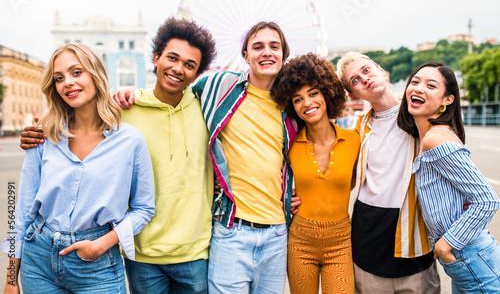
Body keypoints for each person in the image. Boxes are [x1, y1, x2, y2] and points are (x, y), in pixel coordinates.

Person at [19, 18, 218, 294]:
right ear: (156, 58)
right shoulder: (124, 110)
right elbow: (21, 207)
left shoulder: (208, 112)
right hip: (138, 254)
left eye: (189, 64)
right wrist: (9, 276)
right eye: (172, 58)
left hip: (192, 251)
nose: (178, 68)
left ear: (197, 74)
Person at [111, 21, 300, 293]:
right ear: (245, 55)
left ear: (284, 55)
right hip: (192, 239)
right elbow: (86, 127)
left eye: (274, 46)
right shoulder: (218, 89)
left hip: (238, 241)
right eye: (257, 46)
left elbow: (314, 146)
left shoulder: (292, 107)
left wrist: (298, 193)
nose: (266, 52)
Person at [2, 43, 155, 294]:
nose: (67, 83)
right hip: (38, 261)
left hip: (98, 266)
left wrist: (103, 243)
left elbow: (144, 208)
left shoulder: (130, 140)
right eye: (59, 78)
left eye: (76, 72)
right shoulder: (43, 136)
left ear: (95, 75)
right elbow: (21, 212)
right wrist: (10, 279)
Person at [336, 52, 440, 294]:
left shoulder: (422, 116)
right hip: (368, 241)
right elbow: (339, 176)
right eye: (354, 80)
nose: (364, 79)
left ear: (381, 70)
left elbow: (450, 156)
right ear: (353, 95)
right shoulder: (357, 128)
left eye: (366, 70)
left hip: (414, 244)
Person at [397, 61, 500, 293]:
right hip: (467, 257)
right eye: (414, 82)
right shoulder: (429, 137)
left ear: (447, 100)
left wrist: (445, 246)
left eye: (431, 85)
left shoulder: (435, 138)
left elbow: (488, 200)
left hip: (471, 256)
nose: (419, 88)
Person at [271, 53, 360, 293]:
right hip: (299, 242)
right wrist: (284, 201)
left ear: (326, 93)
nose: (307, 103)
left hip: (341, 243)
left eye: (313, 94)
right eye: (297, 99)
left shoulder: (354, 141)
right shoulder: (287, 146)